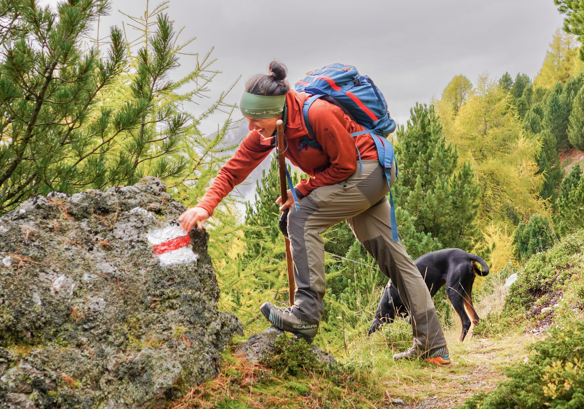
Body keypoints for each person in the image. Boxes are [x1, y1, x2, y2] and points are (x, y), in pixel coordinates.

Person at [179, 61, 450, 365]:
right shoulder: (272, 128)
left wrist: (303, 190)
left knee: (301, 217)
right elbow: (234, 169)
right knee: (394, 259)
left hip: (370, 170)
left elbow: (345, 165)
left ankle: (306, 314)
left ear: (276, 109)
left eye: (256, 121)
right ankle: (433, 346)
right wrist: (206, 205)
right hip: (355, 176)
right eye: (249, 121)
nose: (253, 129)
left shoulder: (318, 114)